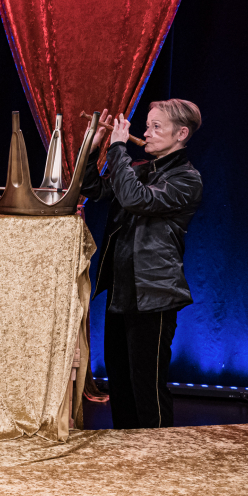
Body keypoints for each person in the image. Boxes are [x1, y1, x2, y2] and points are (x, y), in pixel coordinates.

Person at [81, 100, 203, 430]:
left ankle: (159, 460)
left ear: (181, 134)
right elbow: (92, 188)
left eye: (156, 127)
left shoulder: (187, 179)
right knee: (119, 382)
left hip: (154, 294)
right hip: (123, 291)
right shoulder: (139, 169)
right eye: (147, 126)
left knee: (146, 385)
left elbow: (137, 199)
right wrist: (94, 152)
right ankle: (127, 457)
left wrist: (118, 148)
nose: (146, 134)